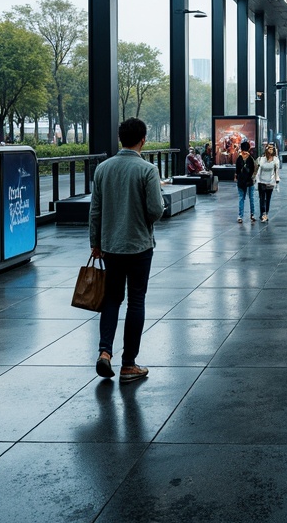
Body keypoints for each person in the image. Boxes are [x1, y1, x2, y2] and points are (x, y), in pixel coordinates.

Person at [89, 117, 164, 383]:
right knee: (136, 301)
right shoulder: (147, 170)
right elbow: (156, 210)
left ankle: (104, 353)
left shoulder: (103, 169)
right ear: (143, 139)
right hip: (139, 246)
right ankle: (129, 364)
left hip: (110, 247)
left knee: (111, 299)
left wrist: (95, 243)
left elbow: (95, 209)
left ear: (121, 139)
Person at [257, 143, 281, 221]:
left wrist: (277, 180)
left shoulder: (276, 160)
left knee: (268, 199)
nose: (271, 150)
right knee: (262, 198)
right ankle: (262, 213)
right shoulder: (261, 159)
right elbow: (259, 170)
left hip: (270, 182)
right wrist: (256, 180)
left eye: (272, 149)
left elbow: (276, 171)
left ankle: (266, 213)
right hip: (261, 182)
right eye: (269, 149)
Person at [235, 140, 258, 223]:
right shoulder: (251, 158)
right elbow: (254, 169)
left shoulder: (239, 158)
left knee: (241, 198)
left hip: (241, 182)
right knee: (251, 198)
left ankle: (240, 216)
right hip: (249, 181)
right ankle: (252, 214)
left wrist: (237, 177)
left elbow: (237, 170)